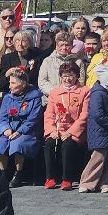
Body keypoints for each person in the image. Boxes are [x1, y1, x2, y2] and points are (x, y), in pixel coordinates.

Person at [0, 68, 43, 187]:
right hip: (10, 130)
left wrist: (19, 131)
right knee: (1, 145)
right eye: (9, 83)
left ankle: (18, 174)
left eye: (13, 83)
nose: (9, 86)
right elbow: (2, 118)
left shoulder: (35, 98)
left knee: (18, 144)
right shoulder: (7, 98)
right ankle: (3, 174)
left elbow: (33, 120)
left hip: (28, 132)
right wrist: (5, 129)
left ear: (23, 83)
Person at [43, 61, 87, 190]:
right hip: (58, 129)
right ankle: (50, 178)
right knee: (49, 144)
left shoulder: (84, 91)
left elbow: (84, 115)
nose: (67, 79)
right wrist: (52, 131)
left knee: (68, 145)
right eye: (64, 76)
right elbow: (49, 114)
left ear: (77, 76)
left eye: (71, 75)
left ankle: (67, 179)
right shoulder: (54, 93)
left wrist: (71, 132)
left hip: (75, 131)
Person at [80, 65, 108, 193]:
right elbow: (98, 114)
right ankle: (87, 182)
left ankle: (105, 183)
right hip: (100, 131)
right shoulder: (98, 93)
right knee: (98, 157)